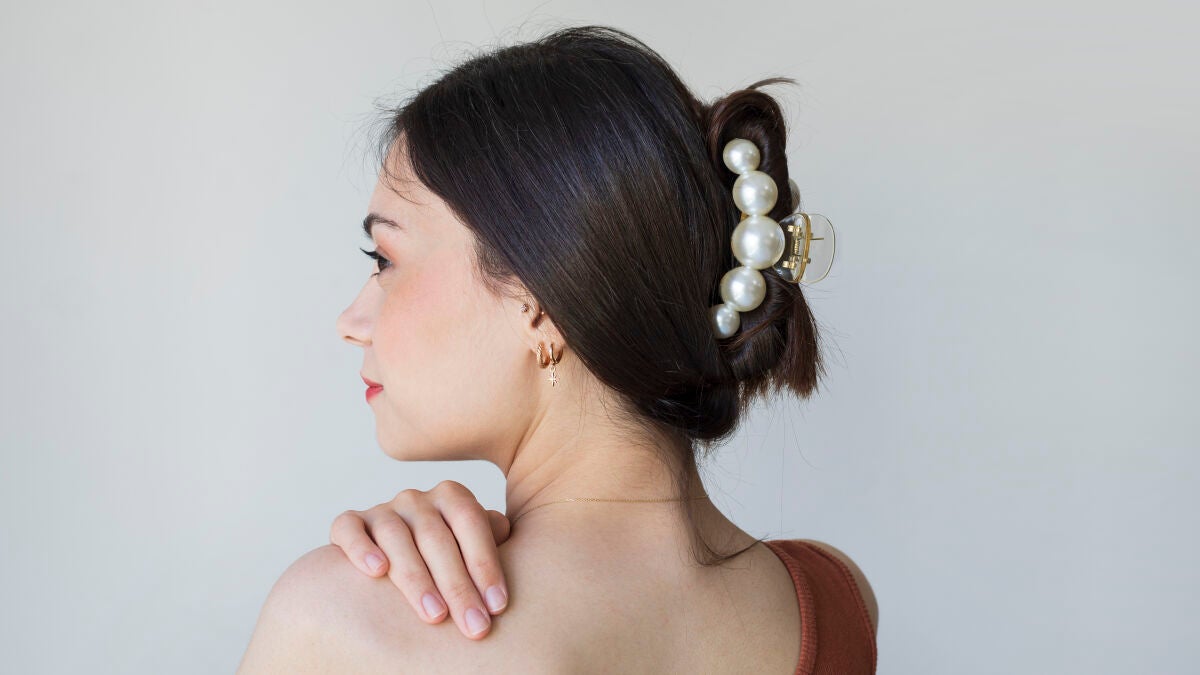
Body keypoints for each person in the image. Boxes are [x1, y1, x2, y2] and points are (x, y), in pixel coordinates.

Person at [238, 23, 877, 674]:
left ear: (537, 302)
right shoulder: (836, 598)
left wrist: (357, 590)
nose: (351, 321)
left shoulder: (342, 622)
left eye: (385, 259)